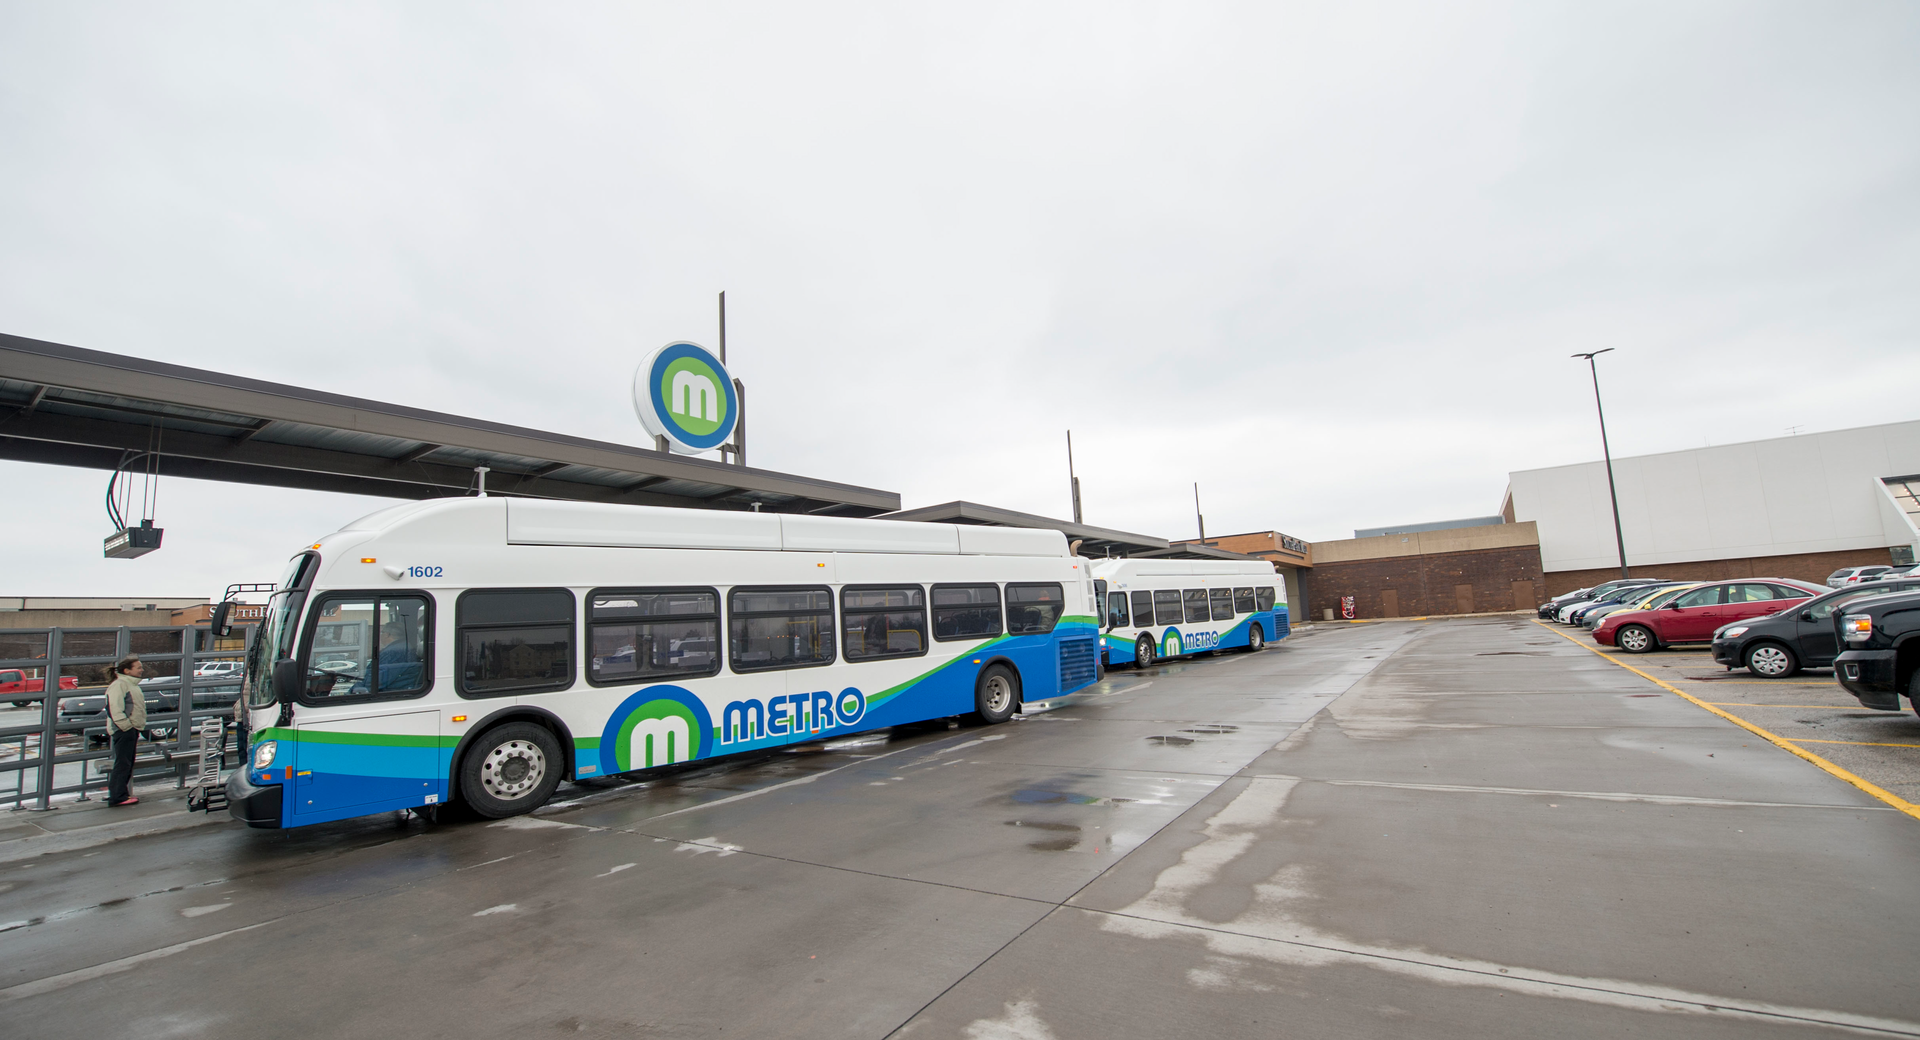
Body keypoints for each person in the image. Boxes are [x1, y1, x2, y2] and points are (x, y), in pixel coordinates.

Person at [104, 654, 147, 807]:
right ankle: (118, 796)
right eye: (138, 667)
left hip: (131, 728)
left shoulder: (131, 685)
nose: (142, 670)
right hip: (124, 730)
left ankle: (120, 794)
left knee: (126, 763)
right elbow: (114, 708)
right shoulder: (120, 685)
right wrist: (126, 726)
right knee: (122, 763)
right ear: (127, 670)